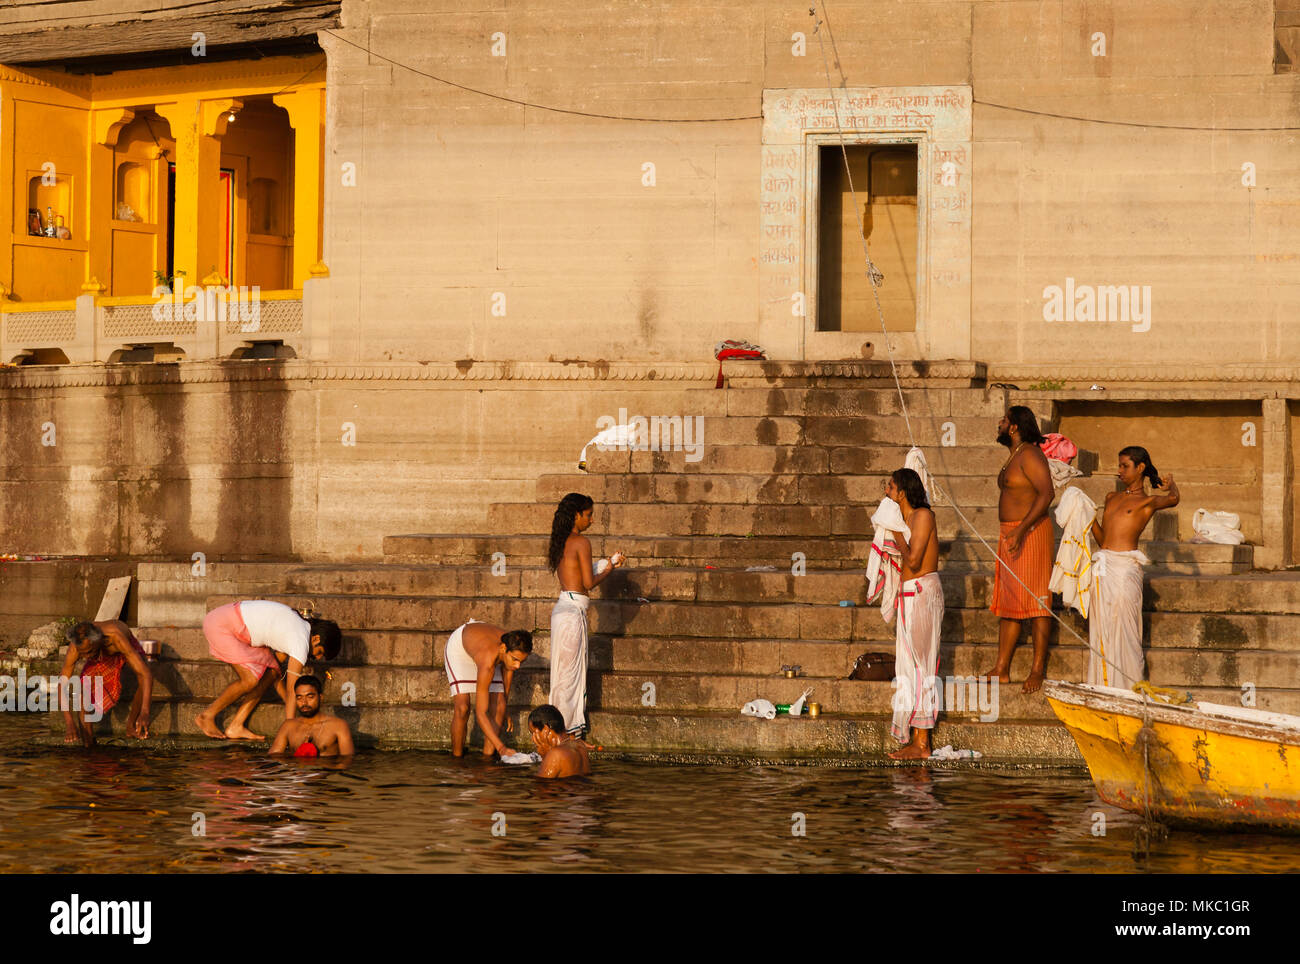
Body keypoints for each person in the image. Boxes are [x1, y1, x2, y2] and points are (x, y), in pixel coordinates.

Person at [1087, 447, 1179, 690]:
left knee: (1126, 632)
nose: (1119, 471)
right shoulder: (1110, 497)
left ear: (1140, 468)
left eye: (1124, 466)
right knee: (1102, 631)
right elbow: (1102, 539)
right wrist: (1086, 518)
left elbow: (1174, 499)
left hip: (1126, 570)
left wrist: (1171, 485)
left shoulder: (1147, 502)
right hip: (1104, 566)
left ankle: (1129, 688)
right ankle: (1103, 688)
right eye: (1118, 466)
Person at [984, 406, 1056, 694]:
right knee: (1010, 602)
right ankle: (1001, 668)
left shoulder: (1030, 454)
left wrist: (1021, 529)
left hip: (1031, 533)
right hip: (1011, 534)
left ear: (1013, 427)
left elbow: (1047, 493)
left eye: (1003, 421)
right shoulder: (1014, 456)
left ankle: (1037, 669)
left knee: (1038, 602)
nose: (999, 425)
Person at [195, 600, 341, 740]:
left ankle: (236, 726)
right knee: (250, 680)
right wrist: (291, 729)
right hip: (222, 625)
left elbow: (276, 675)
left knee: (271, 671)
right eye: (320, 652)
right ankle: (206, 716)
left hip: (233, 624)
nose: (316, 657)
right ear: (315, 639)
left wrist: (293, 709)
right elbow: (292, 691)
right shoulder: (301, 642)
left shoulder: (298, 629)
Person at [547, 493, 625, 736]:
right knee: (570, 676)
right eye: (588, 515)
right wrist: (609, 570)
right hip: (572, 615)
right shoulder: (581, 542)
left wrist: (605, 563)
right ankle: (567, 732)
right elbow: (589, 583)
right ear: (576, 515)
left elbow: (577, 576)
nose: (591, 521)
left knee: (561, 674)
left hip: (562, 610)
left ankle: (557, 728)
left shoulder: (560, 540)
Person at [884, 469, 944, 760]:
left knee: (922, 666)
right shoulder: (908, 519)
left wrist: (894, 529)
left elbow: (915, 559)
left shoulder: (922, 516)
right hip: (910, 595)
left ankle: (923, 743)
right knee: (908, 667)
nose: (886, 491)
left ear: (902, 492)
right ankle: (917, 739)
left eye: (890, 486)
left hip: (922, 593)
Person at [58, 620, 153, 747]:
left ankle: (131, 726)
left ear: (96, 641)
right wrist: (69, 723)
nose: (86, 657)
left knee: (142, 677)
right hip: (101, 652)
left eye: (88, 652)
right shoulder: (75, 649)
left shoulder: (115, 636)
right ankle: (88, 745)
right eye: (82, 654)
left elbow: (146, 674)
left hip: (122, 648)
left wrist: (145, 712)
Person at [445, 619, 532, 757]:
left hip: (484, 645)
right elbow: (481, 713)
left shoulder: (509, 650)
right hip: (461, 648)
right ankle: (457, 759)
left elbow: (506, 681)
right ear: (504, 649)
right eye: (515, 659)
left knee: (500, 706)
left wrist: (505, 708)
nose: (518, 666)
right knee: (463, 708)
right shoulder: (488, 663)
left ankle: (487, 760)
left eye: (521, 661)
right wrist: (502, 748)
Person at [269, 675, 355, 757]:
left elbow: (347, 761)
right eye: (299, 698)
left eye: (310, 697)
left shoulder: (338, 726)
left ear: (320, 697)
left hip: (327, 771)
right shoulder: (288, 726)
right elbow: (274, 757)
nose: (304, 702)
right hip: (297, 771)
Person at [528, 703, 592, 778]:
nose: (533, 738)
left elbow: (542, 787)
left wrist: (545, 755)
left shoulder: (556, 754)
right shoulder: (580, 745)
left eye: (533, 733)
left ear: (546, 730)